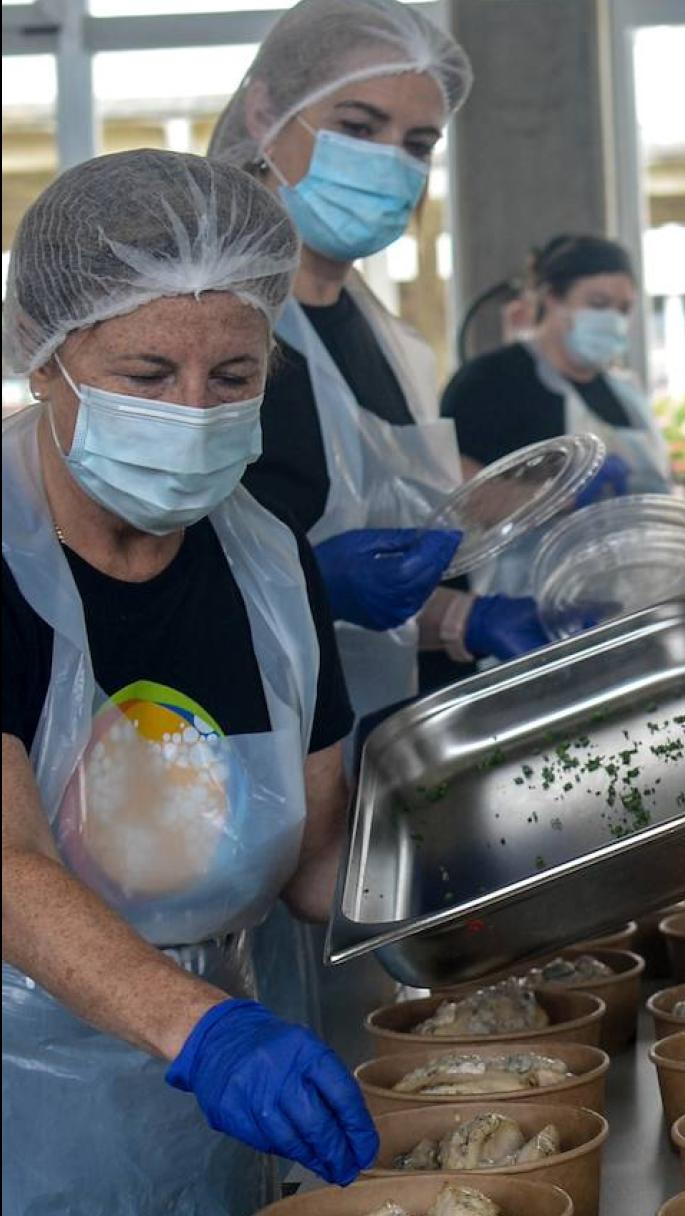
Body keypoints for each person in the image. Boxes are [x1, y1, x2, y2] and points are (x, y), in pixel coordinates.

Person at [1, 150, 375, 1213]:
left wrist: (490, 887)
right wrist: (205, 1030)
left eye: (234, 378)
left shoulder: (268, 562)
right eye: (148, 376)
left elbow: (313, 862)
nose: (194, 412)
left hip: (200, 1124)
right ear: (44, 357)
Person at [208, 0, 543, 728]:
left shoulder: (391, 342)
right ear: (265, 113)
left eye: (418, 144)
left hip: (380, 738)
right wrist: (311, 583)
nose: (390, 161)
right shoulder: (204, 321)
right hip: (240, 742)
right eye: (358, 128)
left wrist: (459, 620)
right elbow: (136, 573)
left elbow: (385, 578)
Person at [442, 233, 672, 496]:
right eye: (598, 303)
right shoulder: (488, 383)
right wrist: (560, 500)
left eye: (623, 309)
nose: (612, 319)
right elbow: (452, 484)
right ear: (552, 298)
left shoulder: (625, 394)